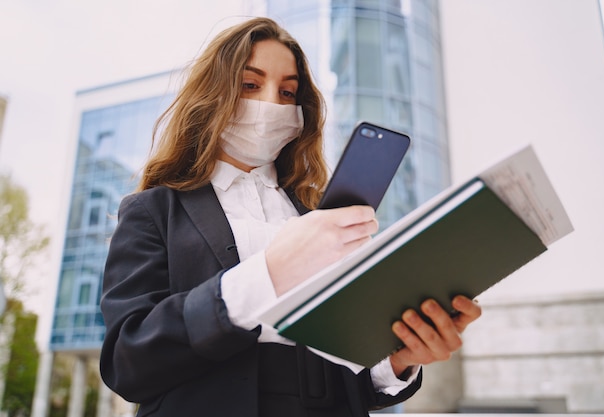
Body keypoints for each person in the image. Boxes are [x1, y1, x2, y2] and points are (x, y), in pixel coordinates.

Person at [99, 17, 482, 417]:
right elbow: (127, 360)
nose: (272, 104)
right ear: (213, 94)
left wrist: (399, 359)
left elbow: (356, 376)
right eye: (250, 84)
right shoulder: (154, 211)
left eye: (287, 92)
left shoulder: (319, 218)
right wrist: (269, 272)